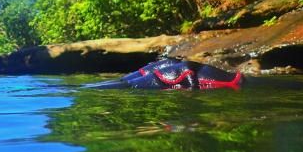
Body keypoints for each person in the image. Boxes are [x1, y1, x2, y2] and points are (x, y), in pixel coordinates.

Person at [85, 58, 244, 90]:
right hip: (180, 71)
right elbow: (187, 67)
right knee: (127, 84)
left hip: (179, 70)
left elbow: (187, 66)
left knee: (127, 84)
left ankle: (81, 88)